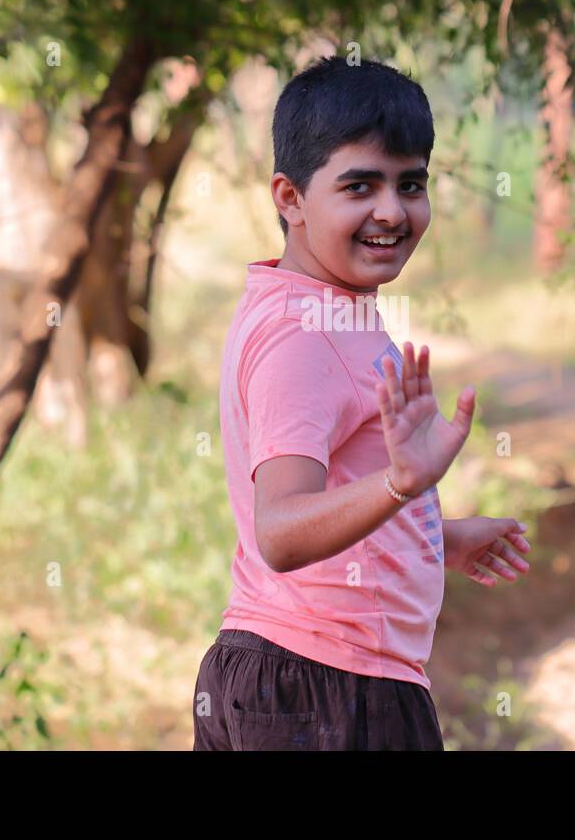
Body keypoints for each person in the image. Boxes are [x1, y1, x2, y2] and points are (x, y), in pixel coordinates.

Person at [193, 56, 533, 750]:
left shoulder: (312, 305)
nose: (392, 210)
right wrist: (401, 482)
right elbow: (282, 531)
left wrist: (434, 539)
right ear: (289, 199)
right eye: (359, 186)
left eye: (411, 184)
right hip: (325, 691)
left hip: (289, 680)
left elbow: (334, 501)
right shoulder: (303, 335)